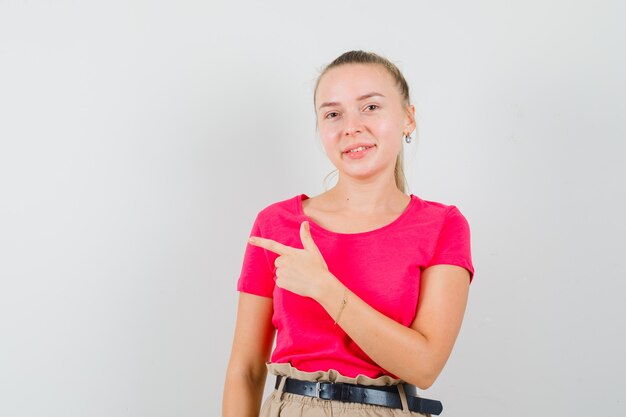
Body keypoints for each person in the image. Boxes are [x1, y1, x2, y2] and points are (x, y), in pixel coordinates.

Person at [222, 50, 475, 417]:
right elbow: (244, 370)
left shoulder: (443, 225)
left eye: (370, 107)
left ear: (408, 118)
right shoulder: (276, 224)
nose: (350, 126)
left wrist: (324, 288)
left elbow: (424, 366)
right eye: (333, 114)